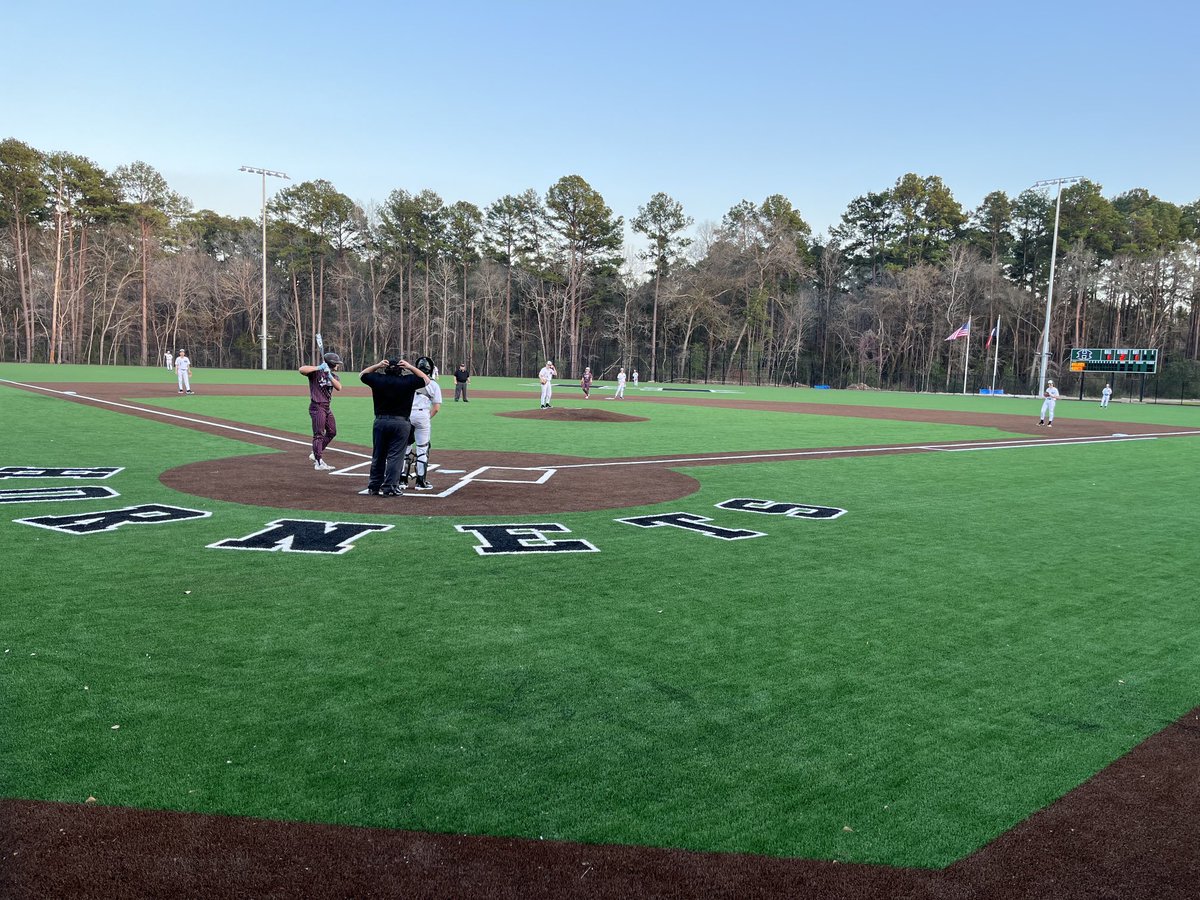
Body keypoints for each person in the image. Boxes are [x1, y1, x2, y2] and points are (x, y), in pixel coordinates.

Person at [360, 356, 431, 496]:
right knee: (395, 456)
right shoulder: (408, 381)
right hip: (401, 423)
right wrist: (410, 367)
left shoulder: (378, 379)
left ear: (385, 369)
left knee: (378, 455)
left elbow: (362, 375)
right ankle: (390, 487)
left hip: (380, 421)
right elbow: (426, 379)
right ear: (401, 370)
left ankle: (374, 486)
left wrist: (377, 365)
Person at [299, 352, 343, 471]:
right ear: (332, 363)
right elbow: (301, 369)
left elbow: (339, 387)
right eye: (337, 364)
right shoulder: (315, 373)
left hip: (326, 408)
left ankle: (315, 453)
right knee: (318, 434)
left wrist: (329, 375)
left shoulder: (333, 375)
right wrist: (319, 367)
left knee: (332, 431)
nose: (338, 366)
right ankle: (318, 462)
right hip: (317, 406)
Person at [403, 356, 442, 490]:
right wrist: (426, 418)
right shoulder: (433, 384)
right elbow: (436, 408)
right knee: (422, 449)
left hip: (407, 415)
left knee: (405, 448)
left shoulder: (407, 381)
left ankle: (402, 480)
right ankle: (420, 481)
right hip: (422, 415)